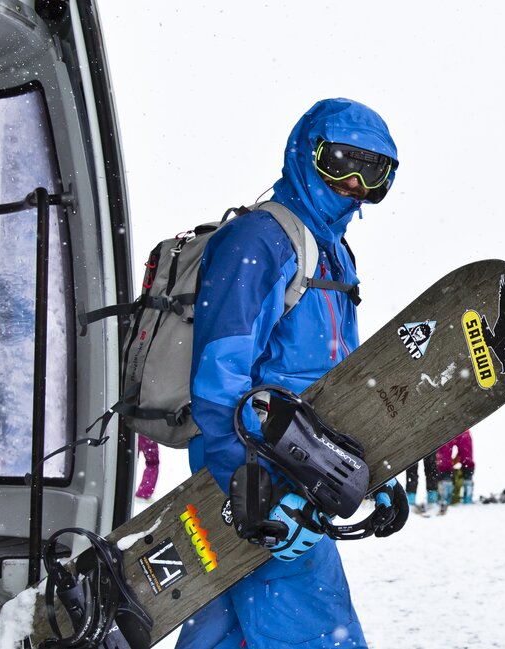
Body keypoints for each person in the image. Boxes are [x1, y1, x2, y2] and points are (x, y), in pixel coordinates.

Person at [183, 98, 399, 649]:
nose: (353, 185)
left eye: (374, 174)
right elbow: (218, 381)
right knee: (321, 636)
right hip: (265, 478)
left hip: (306, 474)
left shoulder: (336, 257)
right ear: (307, 154)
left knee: (225, 633)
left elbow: (342, 383)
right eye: (342, 163)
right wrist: (249, 487)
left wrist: (380, 468)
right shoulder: (259, 242)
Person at [434, 429, 476, 514]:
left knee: (445, 460)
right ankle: (466, 493)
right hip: (459, 428)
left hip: (448, 428)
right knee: (466, 456)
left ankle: (445, 495)